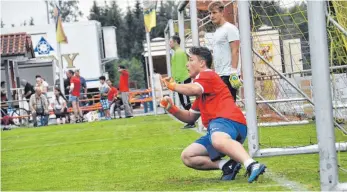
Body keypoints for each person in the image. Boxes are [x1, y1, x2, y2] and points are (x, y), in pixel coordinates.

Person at [160, 46, 266, 182]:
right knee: (187, 156)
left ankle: (252, 164)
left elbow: (193, 90)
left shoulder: (207, 75)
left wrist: (173, 86)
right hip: (220, 128)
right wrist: (171, 108)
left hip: (228, 122)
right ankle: (227, 165)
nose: (187, 64)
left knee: (217, 139)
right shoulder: (201, 88)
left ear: (202, 63)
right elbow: (190, 117)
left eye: (191, 60)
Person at [209, 1, 242, 102]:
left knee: (228, 106)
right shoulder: (217, 31)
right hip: (219, 74)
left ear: (222, 12)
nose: (211, 16)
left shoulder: (230, 28)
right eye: (210, 13)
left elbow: (235, 50)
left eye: (214, 13)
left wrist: (233, 72)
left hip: (228, 75)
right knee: (221, 106)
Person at [170, 35, 195, 129]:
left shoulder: (179, 53)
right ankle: (191, 120)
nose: (169, 44)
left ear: (176, 42)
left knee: (185, 101)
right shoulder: (177, 52)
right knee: (184, 101)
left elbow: (181, 68)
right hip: (180, 79)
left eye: (170, 42)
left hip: (182, 79)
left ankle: (191, 121)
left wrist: (178, 80)